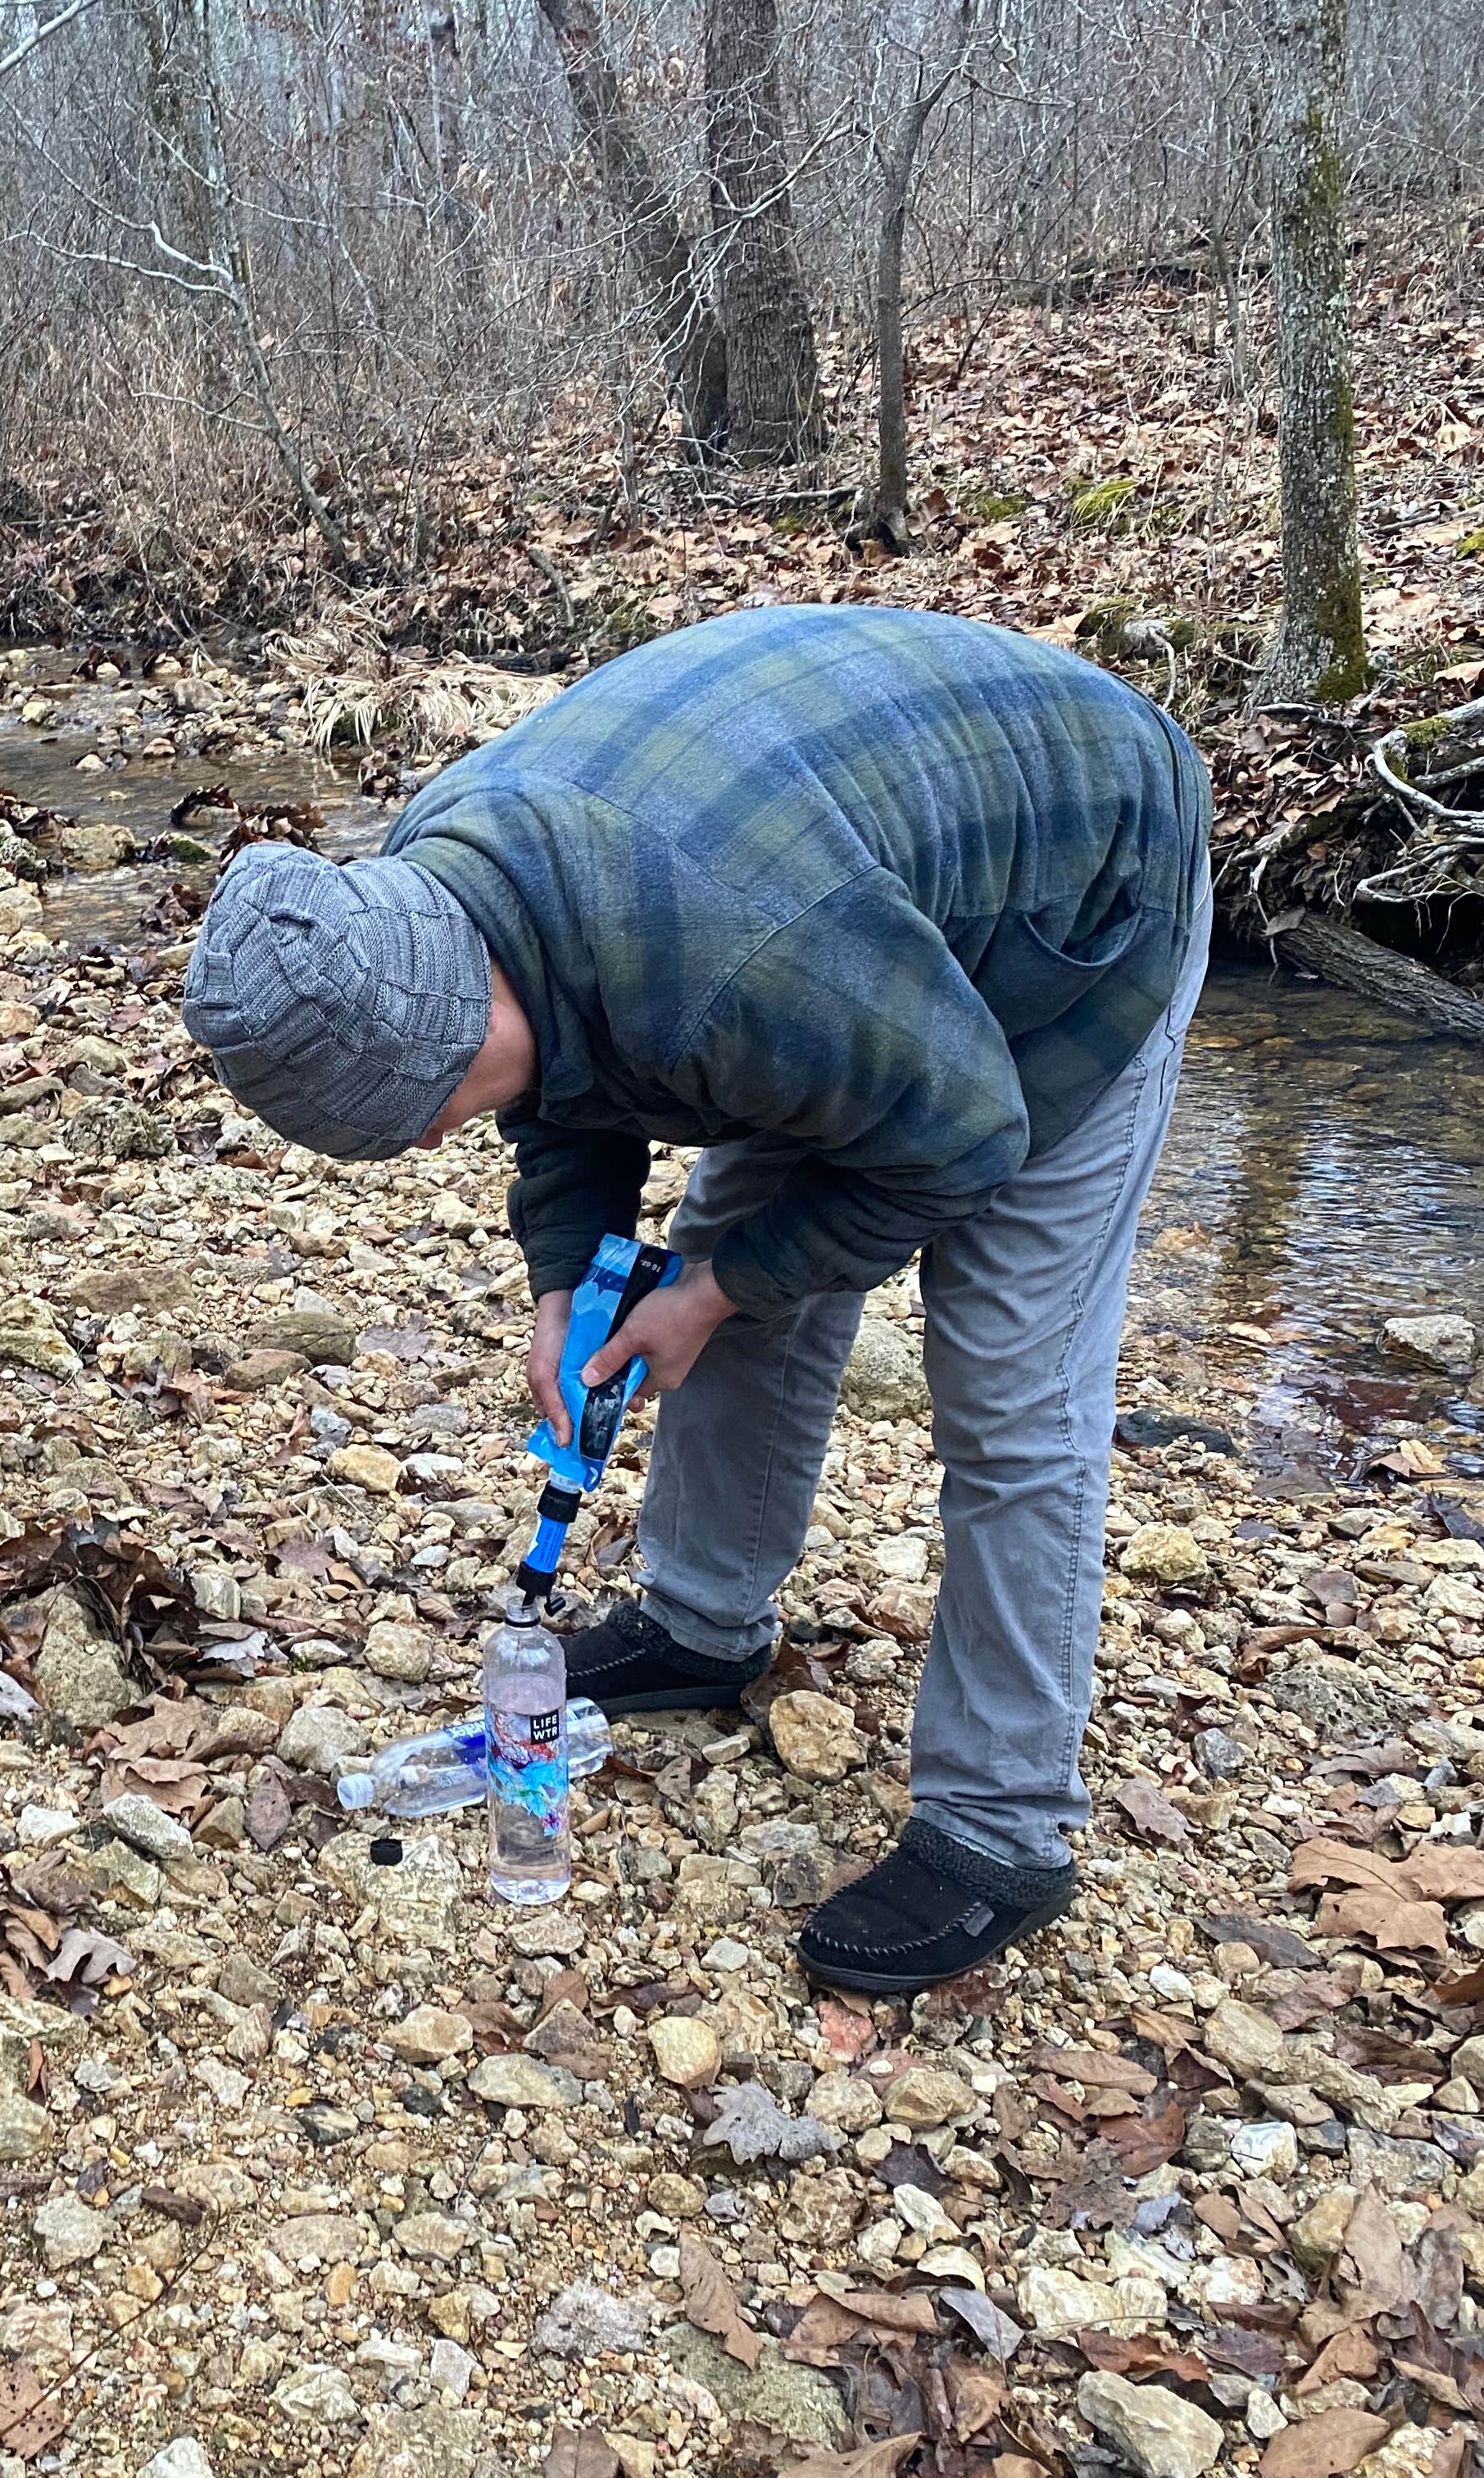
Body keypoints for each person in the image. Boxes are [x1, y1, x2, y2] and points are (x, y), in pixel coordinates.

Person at [180, 606, 1212, 1993]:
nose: (435, 1140)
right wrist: (572, 1275)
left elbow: (965, 1139)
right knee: (716, 1249)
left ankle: (1002, 1829)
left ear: (457, 1005)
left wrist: (723, 1293)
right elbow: (557, 1085)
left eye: (429, 1115)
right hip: (851, 914)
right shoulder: (454, 890)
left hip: (1085, 895)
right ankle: (704, 1624)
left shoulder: (734, 962)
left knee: (1011, 1382)